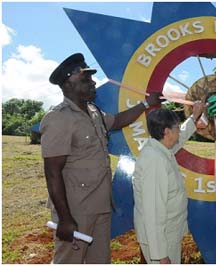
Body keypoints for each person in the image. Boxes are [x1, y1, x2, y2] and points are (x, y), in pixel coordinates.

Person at [40, 52, 163, 263]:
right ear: (68, 83)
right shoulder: (58, 119)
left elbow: (117, 121)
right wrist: (65, 218)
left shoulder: (94, 112)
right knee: (70, 260)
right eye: (85, 79)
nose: (93, 82)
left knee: (100, 260)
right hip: (76, 209)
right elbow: (52, 172)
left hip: (101, 204)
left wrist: (146, 103)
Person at [133, 103, 205, 264]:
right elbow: (153, 211)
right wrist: (160, 255)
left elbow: (181, 138)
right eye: (177, 128)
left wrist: (194, 117)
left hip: (167, 235)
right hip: (161, 241)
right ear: (167, 132)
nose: (179, 132)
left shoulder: (160, 148)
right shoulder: (155, 161)